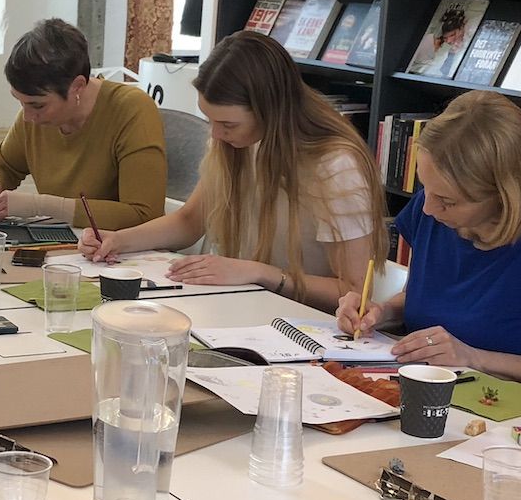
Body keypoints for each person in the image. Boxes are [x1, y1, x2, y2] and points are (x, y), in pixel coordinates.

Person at [78, 30, 382, 310]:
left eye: (227, 124)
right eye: (210, 121)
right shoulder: (237, 142)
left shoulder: (336, 166)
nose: (215, 135)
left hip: (307, 325)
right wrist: (118, 240)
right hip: (247, 307)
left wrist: (259, 273)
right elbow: (190, 221)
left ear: (270, 111)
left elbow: (355, 292)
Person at [336, 91, 521, 384]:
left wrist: (473, 358)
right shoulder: (432, 213)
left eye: (448, 200)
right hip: (430, 393)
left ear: (504, 194)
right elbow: (426, 298)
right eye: (424, 186)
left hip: (516, 416)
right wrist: (379, 312)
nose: (428, 207)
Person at [0, 19, 166, 228]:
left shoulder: (131, 110)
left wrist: (41, 205)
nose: (27, 116)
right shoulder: (37, 117)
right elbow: (3, 165)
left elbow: (144, 215)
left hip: (122, 252)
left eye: (37, 105)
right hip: (70, 246)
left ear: (77, 86)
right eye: (21, 102)